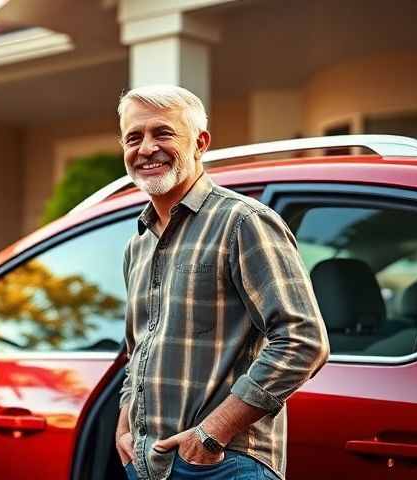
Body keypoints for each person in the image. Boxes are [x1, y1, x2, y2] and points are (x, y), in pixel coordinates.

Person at [114, 85, 330, 480]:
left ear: (200, 143)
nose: (146, 148)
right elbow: (138, 348)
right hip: (149, 464)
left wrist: (213, 434)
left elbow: (303, 340)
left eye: (162, 133)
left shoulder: (243, 222)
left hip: (224, 463)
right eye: (133, 137)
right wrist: (125, 425)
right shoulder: (138, 245)